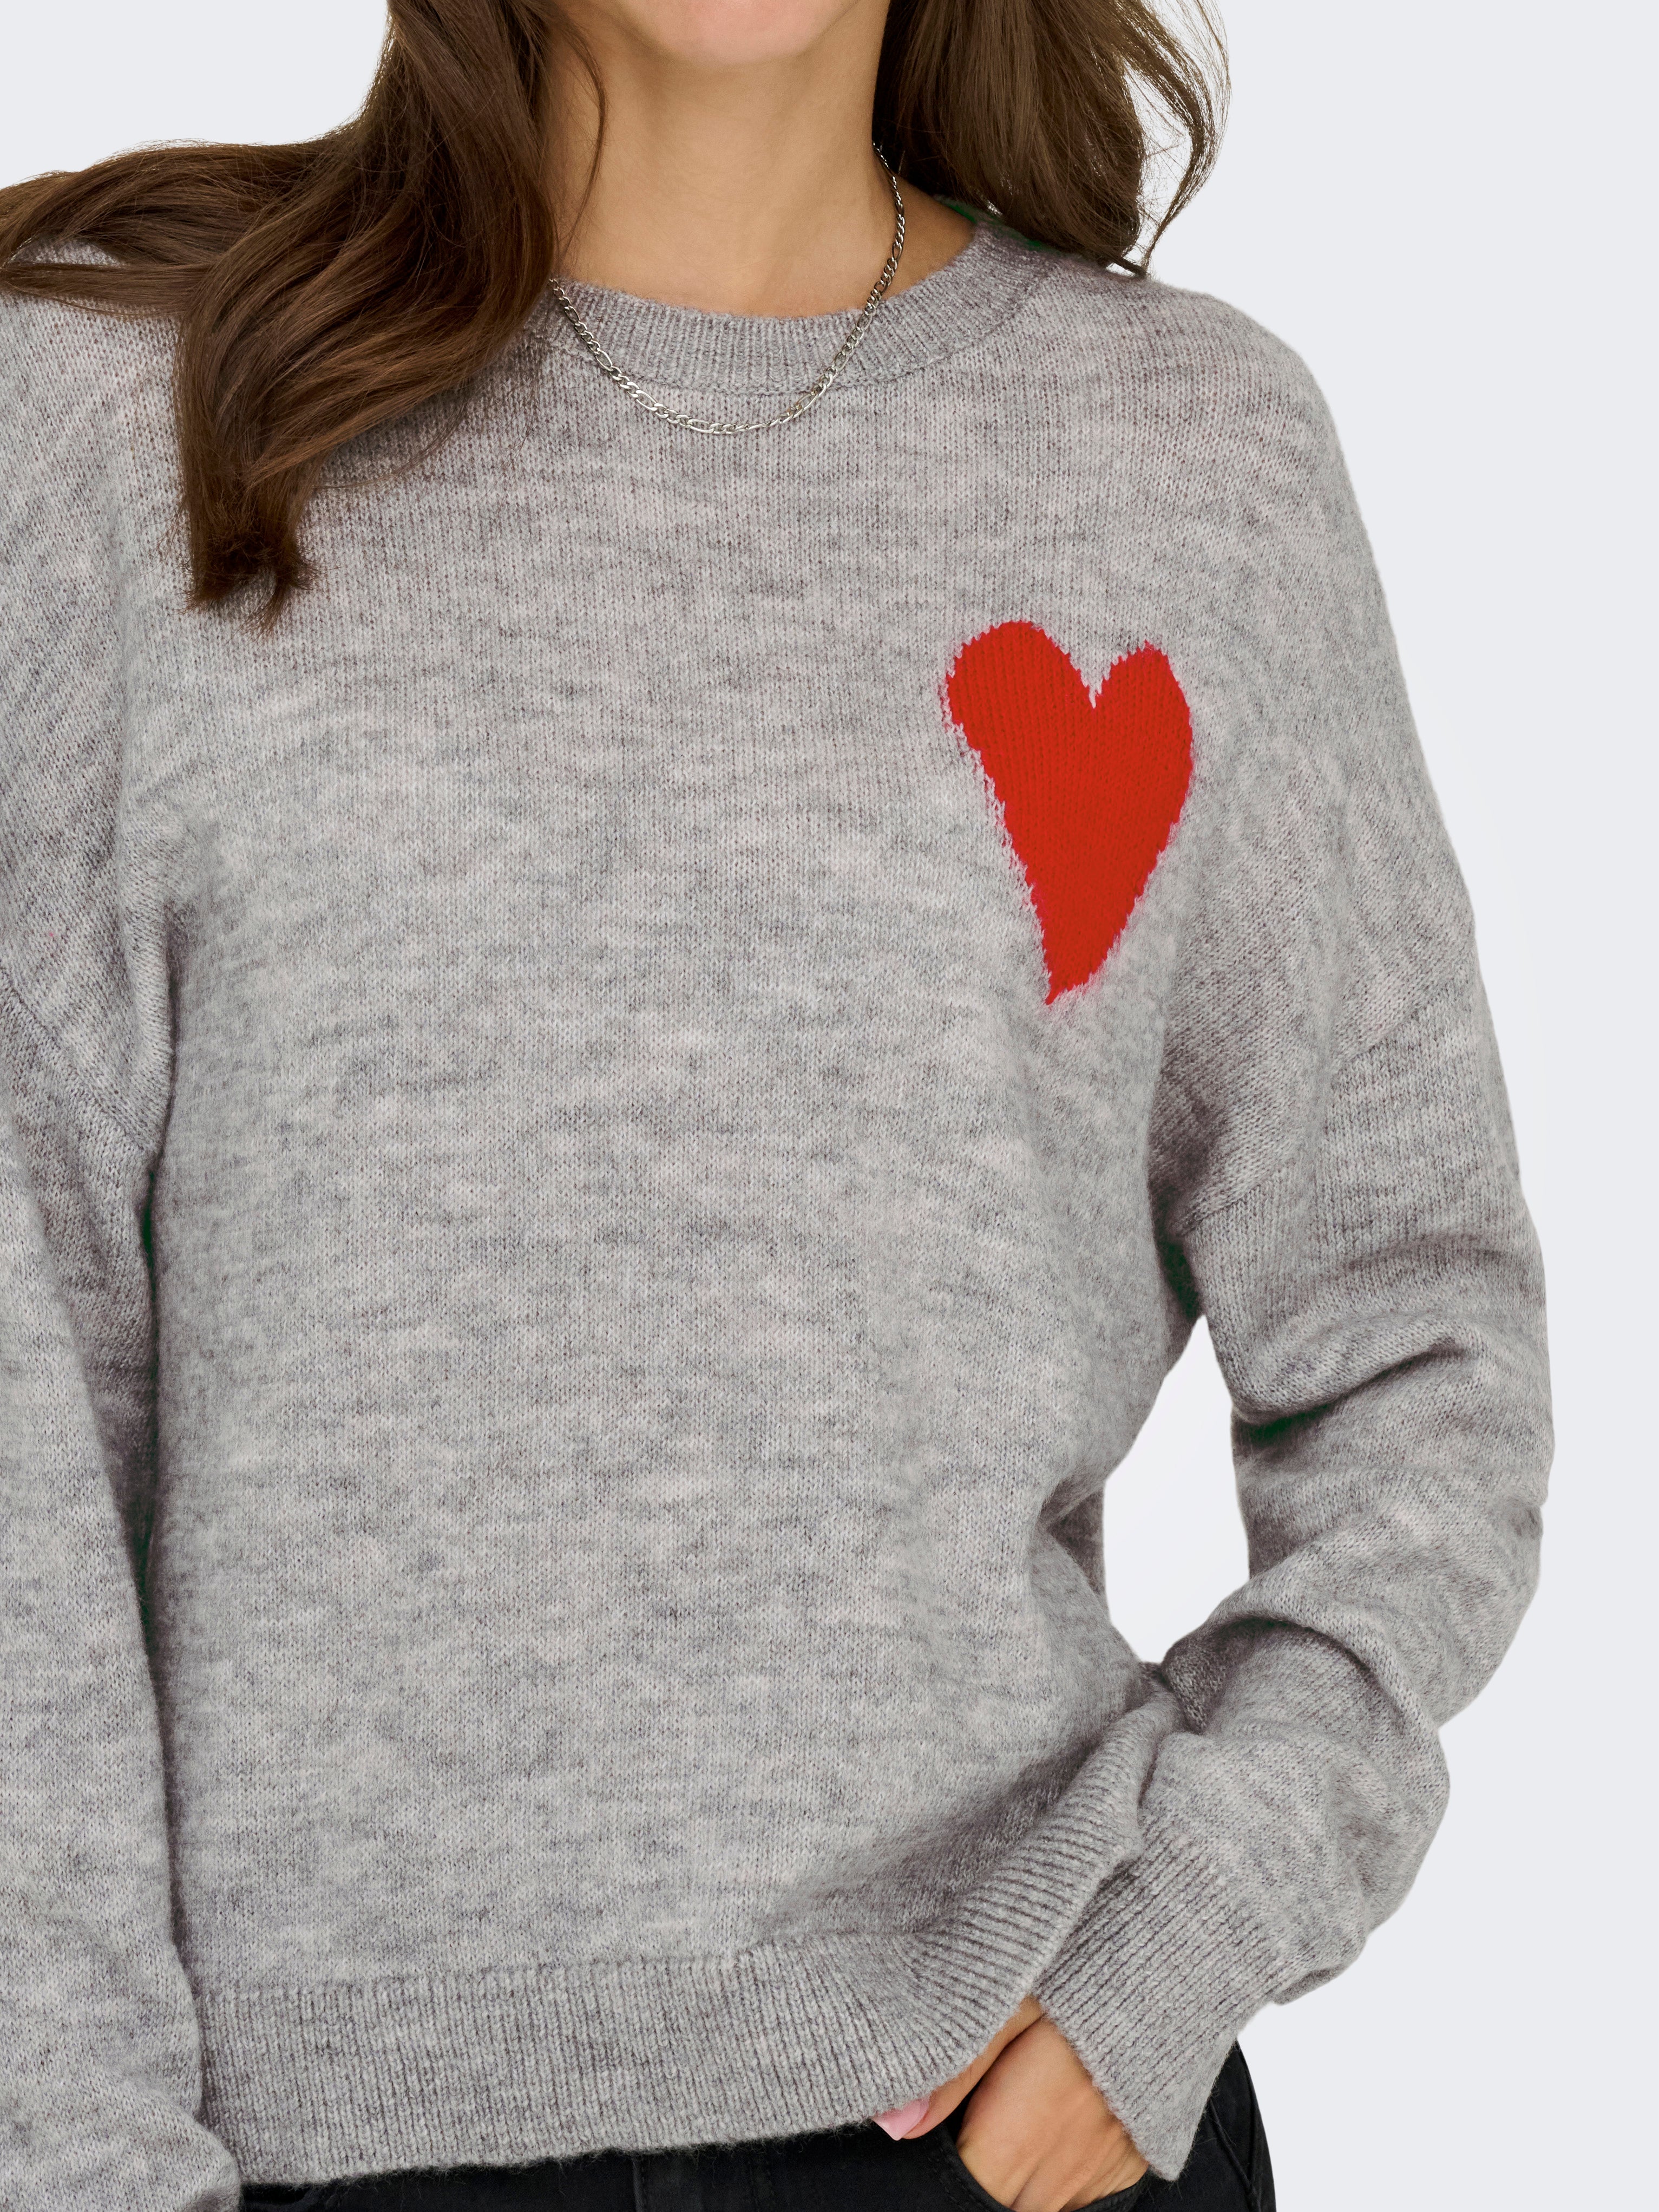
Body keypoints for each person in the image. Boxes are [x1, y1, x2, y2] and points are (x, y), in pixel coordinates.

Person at [0, 0, 1552, 2204]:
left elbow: (1416, 1338)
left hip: (994, 2103)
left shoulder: (1185, 461)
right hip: (287, 2142)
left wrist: (1188, 1927)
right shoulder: (107, 421)